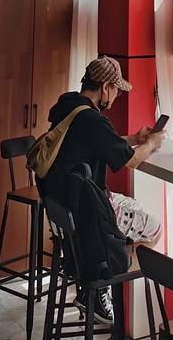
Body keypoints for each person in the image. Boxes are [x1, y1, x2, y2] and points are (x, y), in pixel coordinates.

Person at [41, 55, 164, 324]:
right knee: (154, 228)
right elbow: (132, 161)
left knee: (133, 208)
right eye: (117, 90)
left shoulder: (68, 107)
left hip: (67, 206)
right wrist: (152, 144)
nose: (117, 96)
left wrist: (134, 138)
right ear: (106, 87)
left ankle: (94, 275)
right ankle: (101, 281)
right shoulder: (93, 120)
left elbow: (99, 142)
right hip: (89, 210)